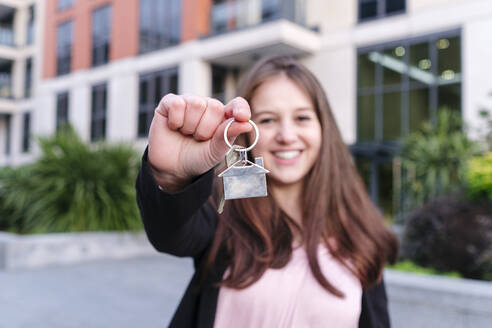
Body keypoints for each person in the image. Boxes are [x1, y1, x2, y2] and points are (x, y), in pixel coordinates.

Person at [136, 56, 399, 328]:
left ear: (323, 128)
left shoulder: (359, 230)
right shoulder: (221, 213)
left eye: (302, 117)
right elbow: (171, 235)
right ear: (247, 132)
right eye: (268, 119)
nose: (286, 135)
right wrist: (174, 177)